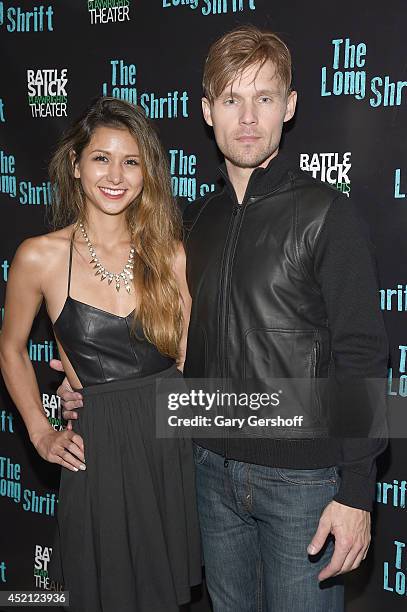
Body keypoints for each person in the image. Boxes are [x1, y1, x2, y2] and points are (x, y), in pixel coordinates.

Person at [55, 27, 389, 612]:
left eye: (264, 97)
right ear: (207, 112)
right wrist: (94, 386)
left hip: (303, 484)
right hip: (208, 476)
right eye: (232, 99)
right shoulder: (193, 227)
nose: (249, 117)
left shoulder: (325, 213)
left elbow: (362, 353)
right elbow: (173, 349)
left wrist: (357, 492)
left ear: (290, 105)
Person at [0, 96, 201, 612]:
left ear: (146, 172)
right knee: (102, 589)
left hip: (170, 442)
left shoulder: (169, 253)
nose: (116, 175)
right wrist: (40, 432)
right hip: (100, 451)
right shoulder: (41, 255)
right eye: (101, 158)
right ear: (75, 165)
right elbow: (11, 347)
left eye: (131, 161)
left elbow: (188, 360)